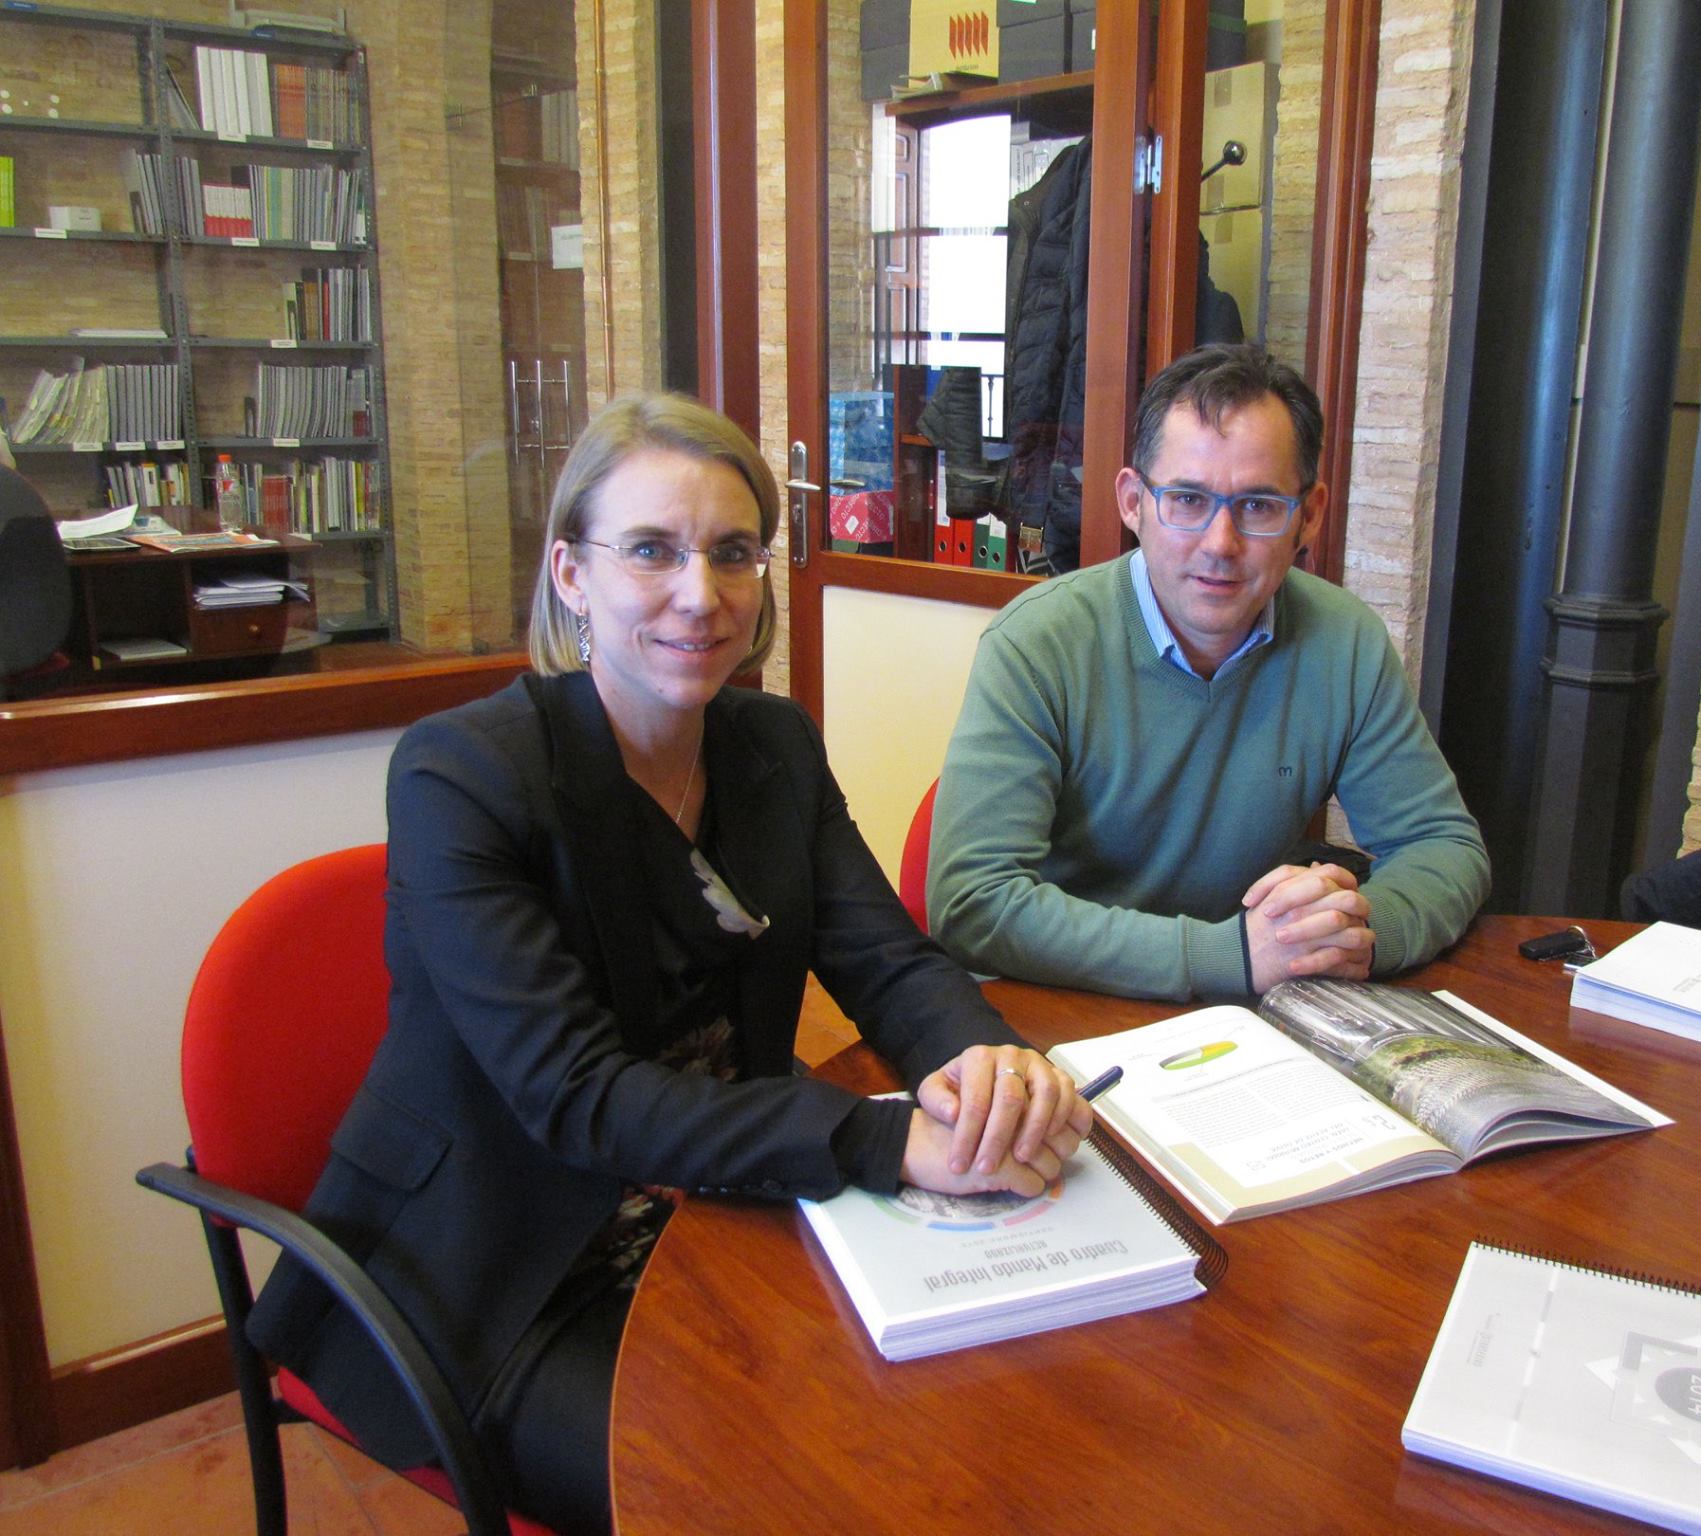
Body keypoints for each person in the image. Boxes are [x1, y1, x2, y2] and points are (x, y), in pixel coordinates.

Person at [246, 393, 1090, 1535]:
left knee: (953, 1420)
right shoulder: (462, 774)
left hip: (708, 1208)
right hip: (499, 1270)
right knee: (772, 1491)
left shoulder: (772, 745)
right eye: (651, 549)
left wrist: (988, 1062)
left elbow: (886, 960)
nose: (702, 593)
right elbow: (574, 1097)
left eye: (733, 552)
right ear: (570, 574)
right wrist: (887, 1140)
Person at [928, 343, 1490, 1002]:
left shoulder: (1346, 643)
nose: (1220, 545)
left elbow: (1443, 844)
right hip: (1062, 1005)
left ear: (1308, 515)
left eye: (1257, 507)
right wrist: (1232, 955)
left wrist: (1357, 932)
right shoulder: (1037, 643)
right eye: (1188, 500)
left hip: (1245, 1021)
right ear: (1133, 502)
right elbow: (972, 903)